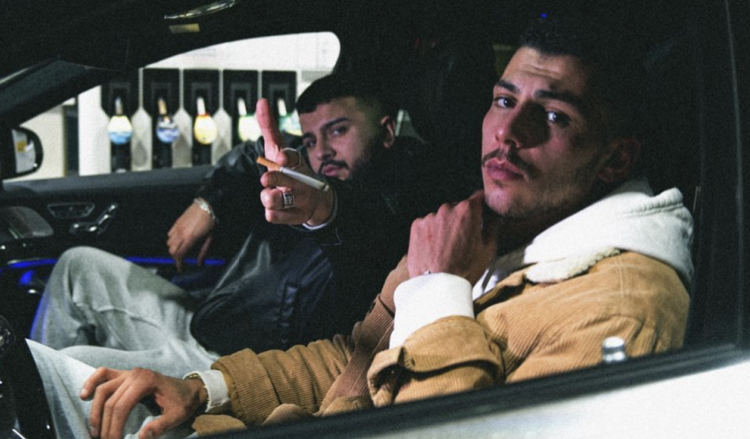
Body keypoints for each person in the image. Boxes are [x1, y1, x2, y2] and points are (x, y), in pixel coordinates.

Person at [29, 14, 693, 439]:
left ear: (614, 160)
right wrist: (205, 390)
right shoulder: (496, 225)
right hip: (299, 434)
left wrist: (438, 293)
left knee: (48, 390)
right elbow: (355, 354)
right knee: (62, 379)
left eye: (553, 116)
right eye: (503, 100)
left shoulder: (618, 309)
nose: (508, 133)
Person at [29, 72, 470, 378]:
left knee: (59, 369)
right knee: (76, 265)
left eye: (338, 131)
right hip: (210, 321)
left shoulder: (407, 196)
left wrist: (324, 208)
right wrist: (208, 203)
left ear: (387, 132)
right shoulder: (303, 169)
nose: (321, 151)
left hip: (240, 364)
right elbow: (250, 153)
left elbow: (366, 227)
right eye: (311, 139)